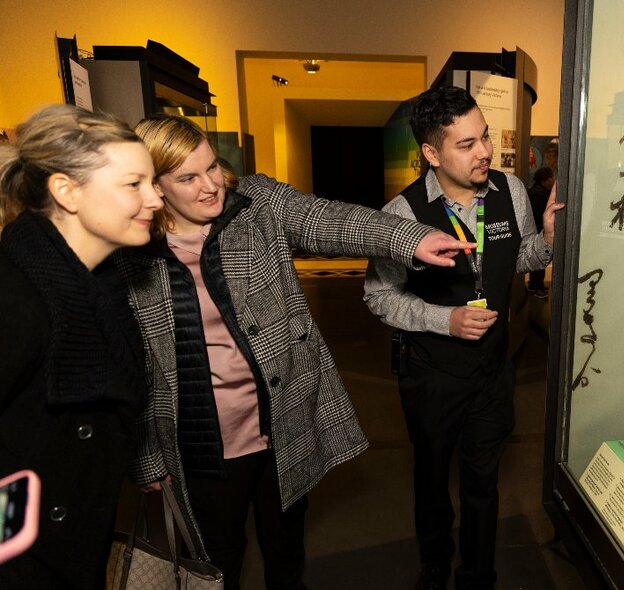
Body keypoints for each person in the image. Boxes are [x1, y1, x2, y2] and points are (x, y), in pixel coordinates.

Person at [115, 114, 474, 590]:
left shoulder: (255, 203)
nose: (211, 186)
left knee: (285, 549)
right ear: (154, 186)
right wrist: (146, 459)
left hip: (280, 423)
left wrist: (410, 238)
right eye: (188, 178)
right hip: (197, 442)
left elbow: (329, 219)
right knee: (216, 560)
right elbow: (131, 369)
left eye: (212, 168)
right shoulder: (126, 251)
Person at [363, 86, 564, 590]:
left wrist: (546, 244)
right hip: (431, 373)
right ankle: (435, 561)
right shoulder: (402, 213)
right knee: (432, 477)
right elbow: (378, 297)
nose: (485, 153)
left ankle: (478, 575)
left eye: (486, 137)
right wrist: (443, 319)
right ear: (432, 153)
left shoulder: (510, 190)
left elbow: (513, 262)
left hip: (493, 370)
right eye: (467, 144)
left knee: (483, 480)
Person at [0, 104, 162, 588]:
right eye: (133, 184)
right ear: (66, 191)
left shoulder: (100, 287)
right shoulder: (17, 298)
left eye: (151, 182)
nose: (155, 199)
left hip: (74, 549)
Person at [526, 167, 555, 298]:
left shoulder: (533, 190)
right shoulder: (540, 194)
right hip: (539, 230)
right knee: (540, 258)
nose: (553, 180)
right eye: (551, 178)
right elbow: (539, 214)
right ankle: (538, 287)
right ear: (545, 179)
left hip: (533, 230)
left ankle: (534, 285)